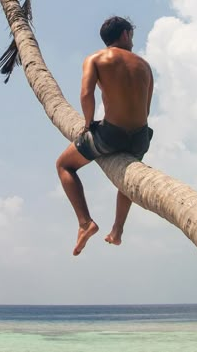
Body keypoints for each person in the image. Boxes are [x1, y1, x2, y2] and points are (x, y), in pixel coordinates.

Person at [56, 16, 153, 256]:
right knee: (128, 173)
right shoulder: (144, 65)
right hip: (140, 137)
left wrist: (88, 124)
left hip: (111, 135)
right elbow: (147, 107)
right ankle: (118, 230)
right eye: (131, 34)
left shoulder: (96, 59)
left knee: (64, 165)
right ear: (125, 35)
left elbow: (86, 93)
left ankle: (85, 222)